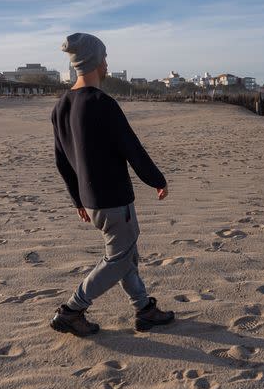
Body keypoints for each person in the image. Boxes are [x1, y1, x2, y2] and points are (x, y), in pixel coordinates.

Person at [49, 33, 175, 336]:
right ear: (94, 62)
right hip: (114, 199)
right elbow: (132, 148)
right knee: (118, 259)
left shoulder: (61, 106)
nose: (107, 64)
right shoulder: (102, 103)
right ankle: (72, 310)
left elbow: (61, 161)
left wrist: (77, 200)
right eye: (104, 58)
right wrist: (157, 180)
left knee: (125, 255)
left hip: (91, 201)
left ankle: (145, 309)